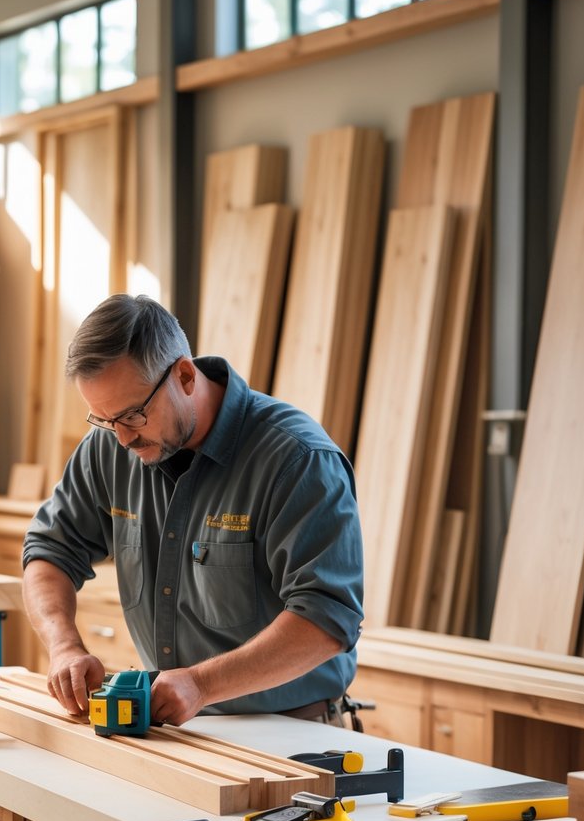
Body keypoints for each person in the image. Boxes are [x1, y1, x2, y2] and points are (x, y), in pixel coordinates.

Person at [22, 293, 363, 728]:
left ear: (184, 375)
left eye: (132, 415)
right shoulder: (110, 447)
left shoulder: (296, 459)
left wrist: (202, 684)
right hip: (175, 727)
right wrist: (63, 645)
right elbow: (49, 550)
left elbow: (327, 619)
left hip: (291, 733)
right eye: (104, 420)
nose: (122, 439)